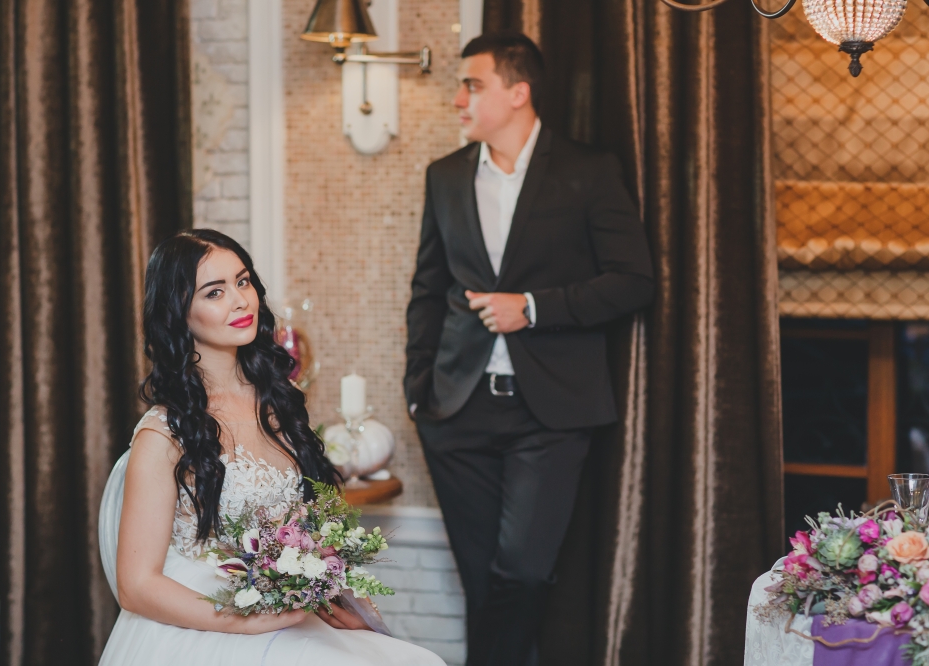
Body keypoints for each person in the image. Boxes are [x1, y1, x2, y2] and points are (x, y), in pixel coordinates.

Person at [404, 33, 654, 666]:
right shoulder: (445, 176)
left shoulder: (588, 170)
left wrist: (534, 307)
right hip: (455, 410)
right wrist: (419, 393)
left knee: (522, 570)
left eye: (473, 85)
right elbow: (428, 291)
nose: (458, 99)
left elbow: (633, 281)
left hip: (550, 413)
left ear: (518, 92)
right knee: (480, 579)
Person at [100, 229, 444, 665]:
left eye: (243, 282)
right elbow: (136, 586)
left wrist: (348, 604)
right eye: (215, 292)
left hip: (287, 616)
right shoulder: (164, 433)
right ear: (178, 312)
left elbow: (311, 534)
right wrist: (243, 620)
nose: (240, 301)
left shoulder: (280, 403)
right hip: (209, 620)